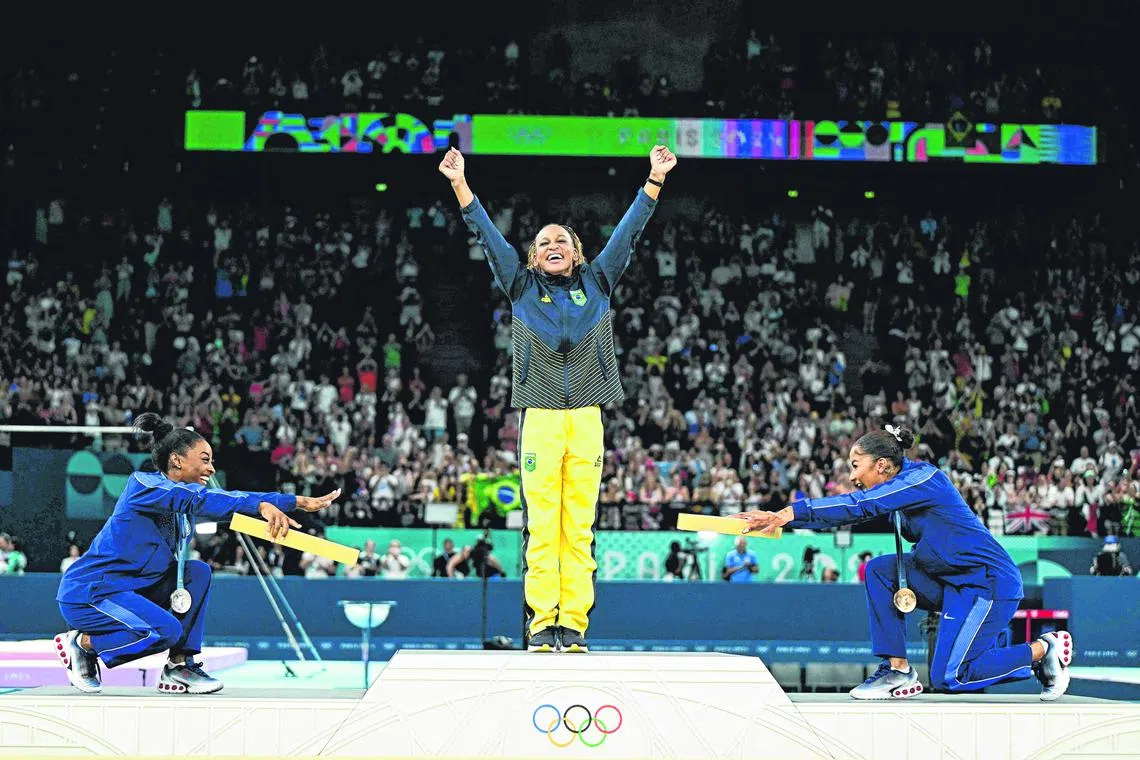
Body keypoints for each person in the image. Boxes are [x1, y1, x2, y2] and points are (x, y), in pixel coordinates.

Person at [440, 143, 677, 652]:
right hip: (541, 418)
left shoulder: (598, 282)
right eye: (544, 241)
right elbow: (485, 235)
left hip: (587, 416)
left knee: (581, 528)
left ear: (577, 253)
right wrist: (461, 184)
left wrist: (654, 179)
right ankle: (541, 623)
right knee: (542, 527)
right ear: (532, 256)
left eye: (562, 241)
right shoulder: (521, 287)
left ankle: (574, 625)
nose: (553, 244)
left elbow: (628, 233)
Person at [736, 424, 1074, 701]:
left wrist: (788, 514)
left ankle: (1043, 651)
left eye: (856, 466)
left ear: (881, 465)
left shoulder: (923, 479)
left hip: (987, 584)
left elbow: (858, 505)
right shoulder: (898, 488)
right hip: (949, 581)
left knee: (950, 677)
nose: (854, 476)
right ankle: (897, 670)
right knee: (880, 571)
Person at [55, 412, 340, 694]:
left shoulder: (184, 510)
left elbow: (217, 504)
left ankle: (180, 665)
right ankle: (83, 645)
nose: (212, 469)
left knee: (198, 572)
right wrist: (264, 505)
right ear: (176, 460)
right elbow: (201, 499)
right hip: (91, 593)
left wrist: (292, 502)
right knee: (165, 630)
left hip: (135, 592)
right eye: (205, 460)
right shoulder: (143, 485)